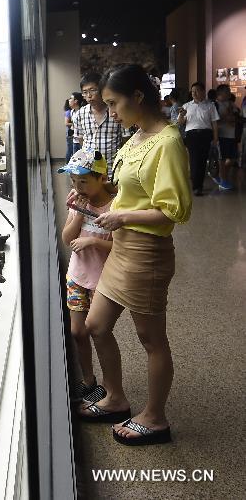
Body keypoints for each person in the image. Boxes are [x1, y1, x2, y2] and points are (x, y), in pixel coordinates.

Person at [78, 64, 192, 447]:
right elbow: (125, 188)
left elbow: (174, 210)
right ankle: (116, 397)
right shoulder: (136, 137)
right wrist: (92, 194)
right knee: (96, 325)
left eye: (114, 103)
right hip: (123, 247)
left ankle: (156, 418)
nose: (110, 111)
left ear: (138, 98)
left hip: (147, 251)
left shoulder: (168, 142)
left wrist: (123, 215)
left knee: (151, 338)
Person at [59, 147, 114, 405]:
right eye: (73, 181)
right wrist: (78, 215)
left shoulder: (115, 206)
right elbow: (67, 238)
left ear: (101, 178)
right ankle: (89, 380)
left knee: (99, 332)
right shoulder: (78, 203)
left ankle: (109, 386)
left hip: (103, 281)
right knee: (77, 332)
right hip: (77, 276)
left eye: (83, 180)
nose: (77, 186)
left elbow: (121, 247)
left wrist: (92, 243)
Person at [73, 73, 125, 180]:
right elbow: (81, 139)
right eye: (85, 92)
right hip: (89, 172)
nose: (89, 95)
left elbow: (125, 139)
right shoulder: (80, 114)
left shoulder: (115, 112)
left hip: (113, 170)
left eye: (92, 90)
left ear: (101, 90)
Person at [178, 82, 219, 195]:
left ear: (202, 92)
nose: (194, 93)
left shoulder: (210, 105)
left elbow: (214, 124)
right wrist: (181, 115)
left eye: (196, 91)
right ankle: (196, 186)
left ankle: (198, 185)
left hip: (205, 135)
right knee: (194, 159)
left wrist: (215, 139)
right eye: (192, 91)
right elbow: (181, 123)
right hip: (192, 136)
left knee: (202, 160)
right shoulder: (186, 106)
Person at [214, 84, 239, 190]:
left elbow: (237, 116)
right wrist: (225, 118)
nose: (229, 93)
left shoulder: (231, 104)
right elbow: (214, 121)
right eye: (227, 91)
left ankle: (220, 175)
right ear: (220, 93)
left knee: (233, 158)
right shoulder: (215, 105)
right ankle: (223, 180)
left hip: (232, 135)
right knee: (222, 158)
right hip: (221, 135)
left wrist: (233, 117)